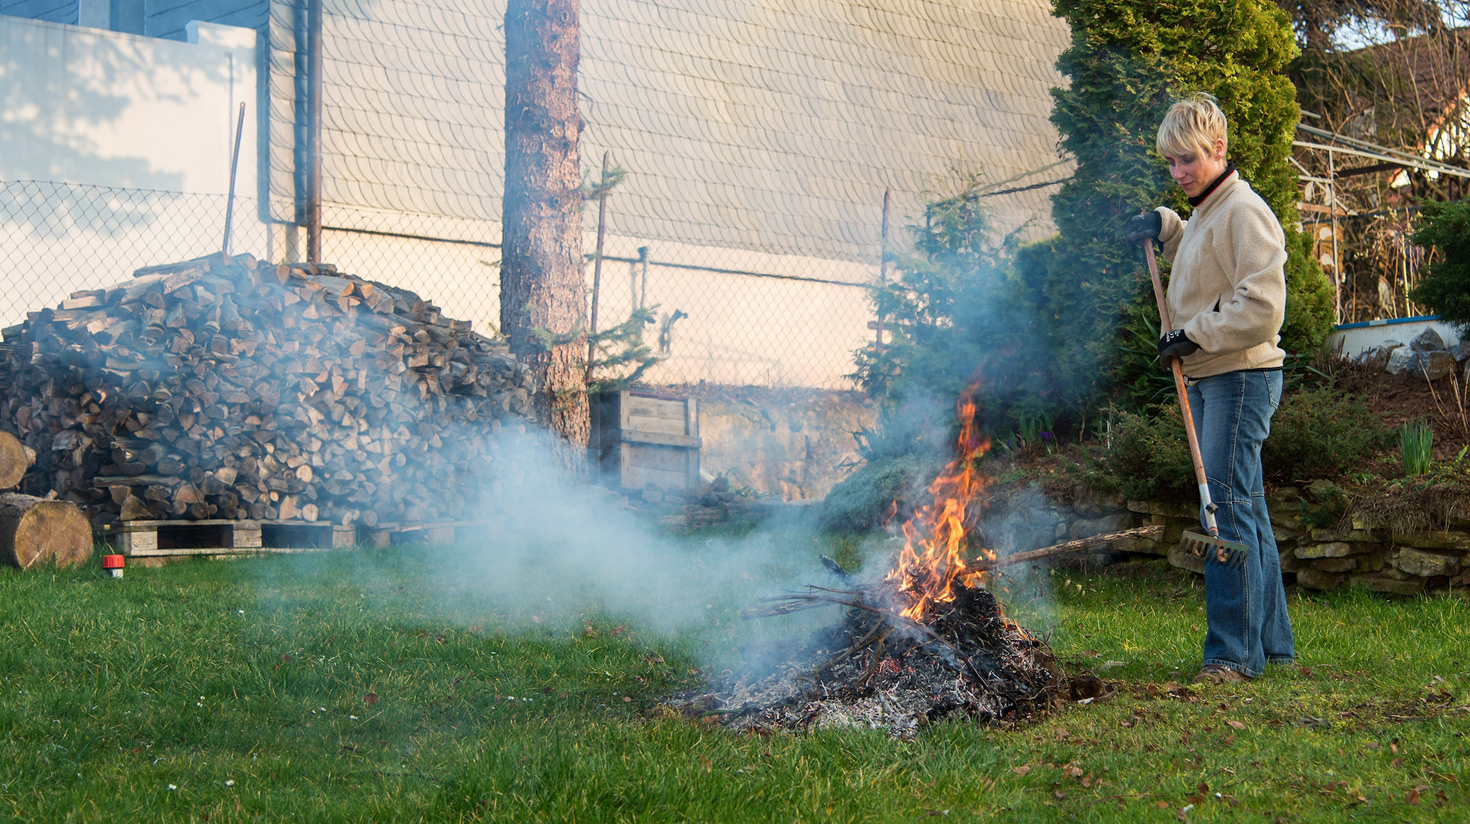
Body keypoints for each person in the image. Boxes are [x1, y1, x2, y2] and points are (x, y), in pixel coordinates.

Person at [1123, 93, 1295, 685]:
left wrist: (1194, 334)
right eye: (1169, 164)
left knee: (1222, 513)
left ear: (1218, 149)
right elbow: (1202, 260)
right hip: (1215, 375)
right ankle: (1271, 647)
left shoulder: (1243, 211)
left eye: (1186, 161)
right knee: (1247, 509)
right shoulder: (1206, 213)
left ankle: (1230, 656)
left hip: (1239, 377)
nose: (1177, 173)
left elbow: (1264, 305)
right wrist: (1167, 227)